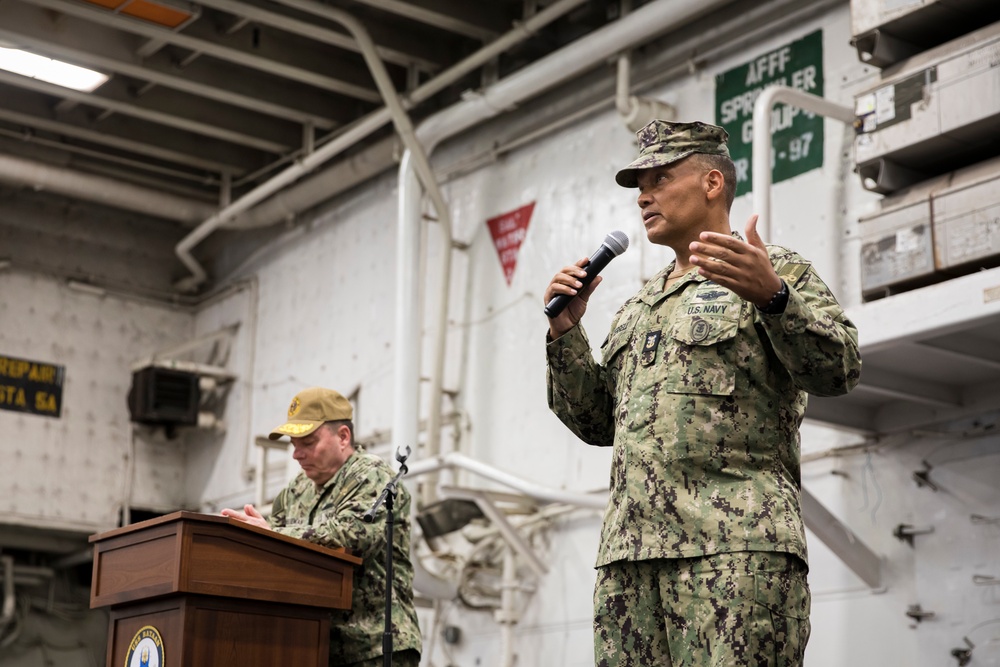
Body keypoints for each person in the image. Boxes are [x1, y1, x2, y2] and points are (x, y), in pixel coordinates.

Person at [544, 120, 861, 667]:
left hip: (735, 548)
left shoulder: (775, 270)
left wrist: (776, 299)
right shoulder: (639, 306)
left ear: (712, 183)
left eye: (661, 178)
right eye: (640, 186)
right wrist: (566, 335)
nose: (644, 196)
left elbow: (839, 370)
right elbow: (599, 423)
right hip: (632, 559)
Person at [222, 387, 422, 667]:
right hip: (312, 647)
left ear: (343, 437)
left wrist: (271, 534)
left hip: (373, 647)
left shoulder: (373, 475)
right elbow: (274, 556)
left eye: (308, 442)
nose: (296, 455)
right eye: (294, 444)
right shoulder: (295, 491)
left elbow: (351, 537)